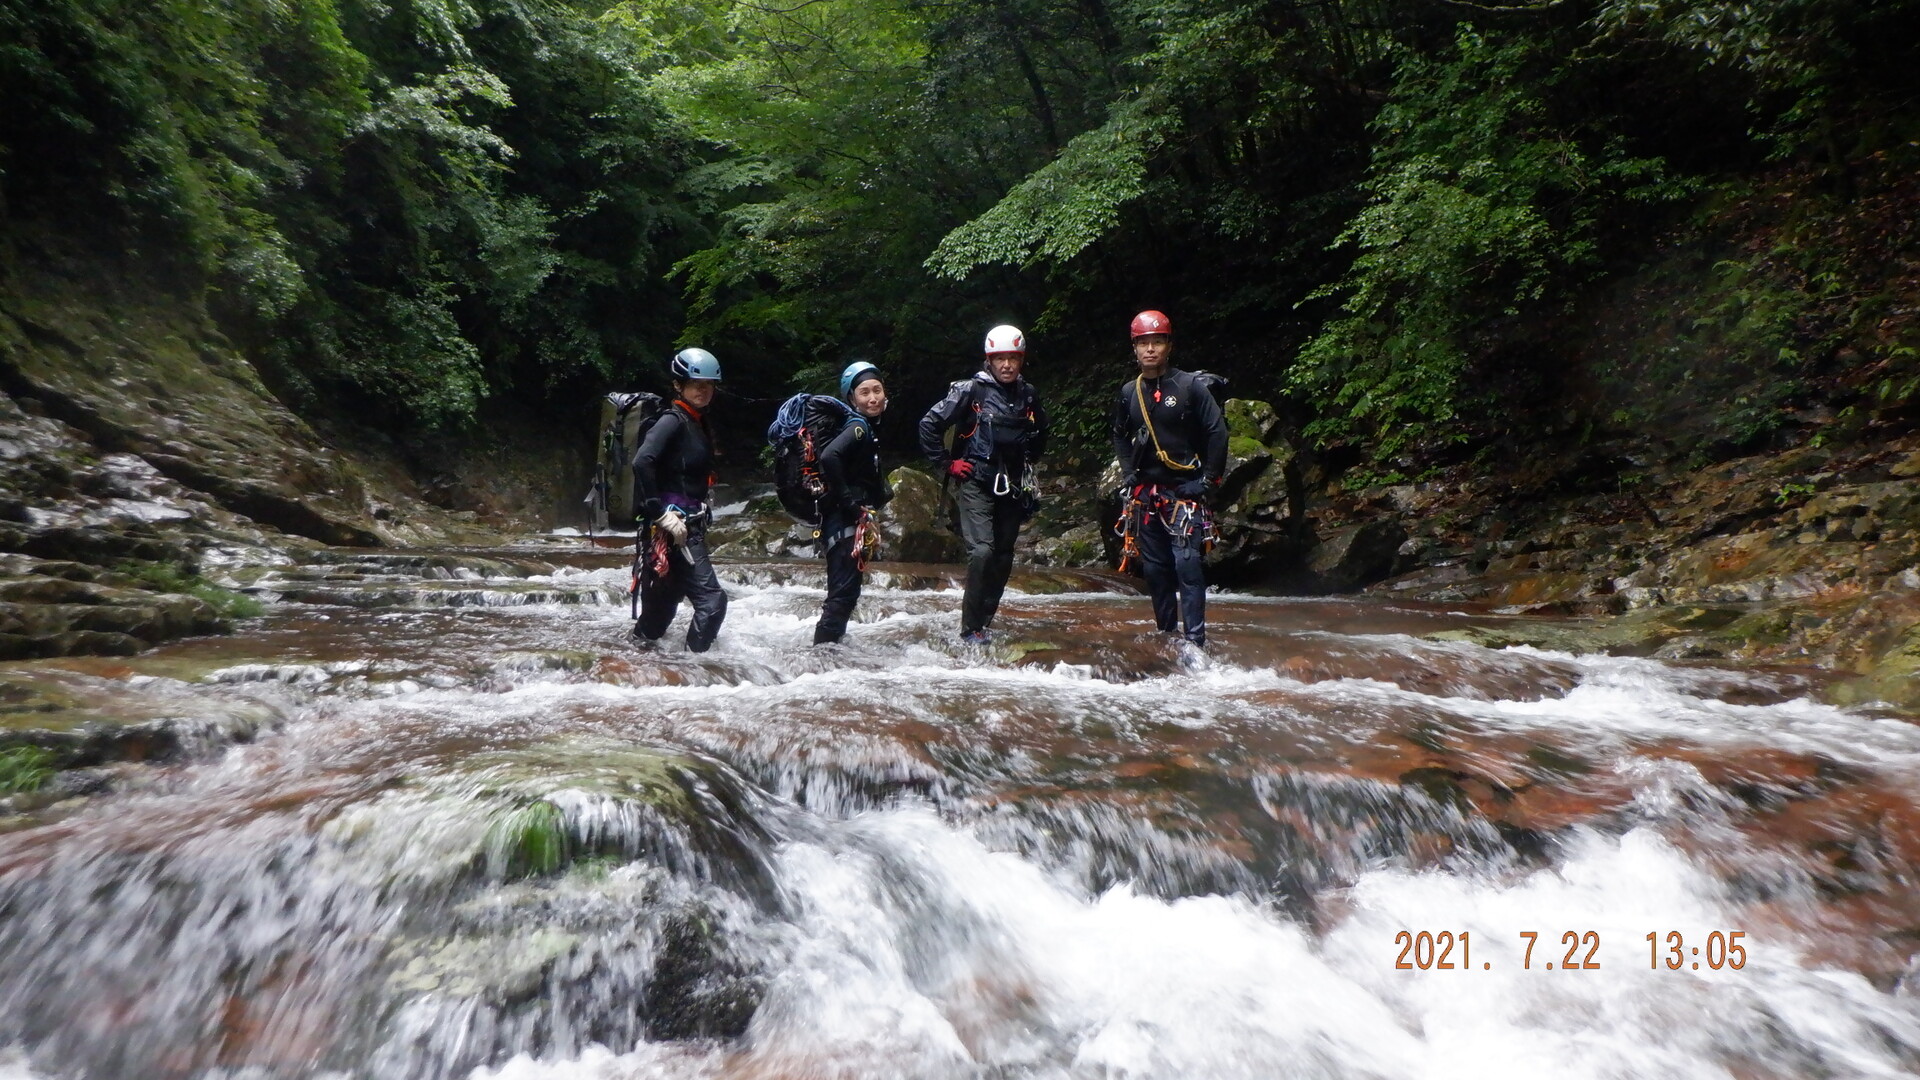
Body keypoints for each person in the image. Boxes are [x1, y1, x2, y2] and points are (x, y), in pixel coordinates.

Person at [918, 324, 1048, 644]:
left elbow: (1041, 431)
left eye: (1012, 359)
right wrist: (947, 464)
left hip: (1012, 485)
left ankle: (986, 619)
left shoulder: (1027, 394)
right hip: (975, 480)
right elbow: (929, 425)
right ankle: (970, 628)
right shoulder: (969, 391)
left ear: (1021, 360)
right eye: (999, 358)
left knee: (1003, 555)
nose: (1006, 365)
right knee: (982, 552)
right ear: (988, 360)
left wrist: (1029, 462)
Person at [1110, 310, 1227, 648]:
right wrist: (1128, 470)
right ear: (1134, 348)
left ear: (1169, 346)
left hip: (1184, 494)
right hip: (1146, 496)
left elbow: (1216, 432)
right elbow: (1119, 434)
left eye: (1157, 342)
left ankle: (1194, 642)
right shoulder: (1129, 393)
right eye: (1144, 343)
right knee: (1156, 570)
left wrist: (1208, 481)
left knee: (1187, 567)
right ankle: (1166, 636)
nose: (1150, 349)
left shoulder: (1189, 387)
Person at [631, 347, 728, 652]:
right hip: (673, 530)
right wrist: (658, 514)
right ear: (678, 385)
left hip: (686, 526)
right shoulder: (671, 421)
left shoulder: (696, 422)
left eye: (709, 385)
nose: (704, 390)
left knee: (659, 614)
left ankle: (636, 666)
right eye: (697, 384)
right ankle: (694, 674)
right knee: (712, 602)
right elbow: (642, 461)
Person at [814, 362, 893, 644]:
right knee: (843, 592)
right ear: (851, 399)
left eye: (877, 390)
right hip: (843, 519)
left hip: (846, 517)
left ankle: (829, 650)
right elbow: (829, 457)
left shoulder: (866, 427)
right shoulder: (858, 426)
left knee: (847, 591)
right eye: (864, 393)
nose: (873, 398)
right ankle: (821, 655)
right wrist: (849, 504)